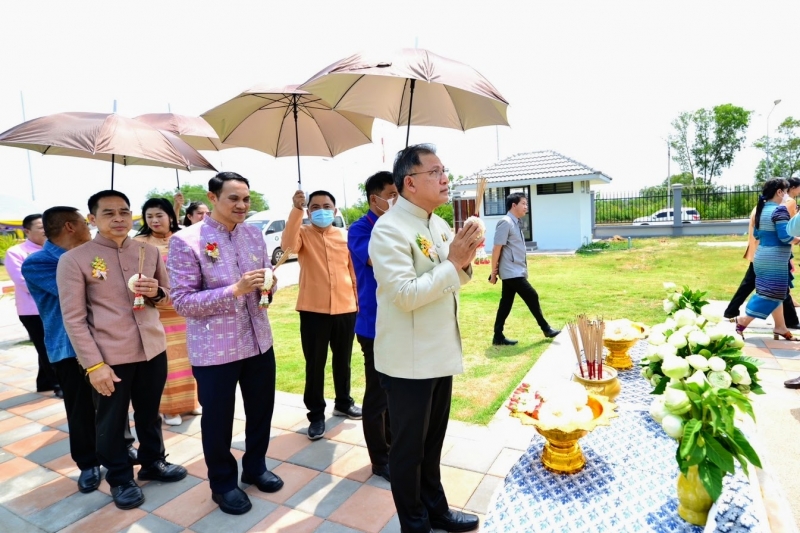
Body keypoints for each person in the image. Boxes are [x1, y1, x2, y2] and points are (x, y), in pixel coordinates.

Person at [370, 144, 481, 533]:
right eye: (435, 172)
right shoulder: (389, 229)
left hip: (438, 353)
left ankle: (437, 510)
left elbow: (453, 278)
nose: (445, 178)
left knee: (432, 445)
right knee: (407, 451)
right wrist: (454, 262)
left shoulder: (437, 224)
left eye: (444, 170)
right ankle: (414, 523)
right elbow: (405, 295)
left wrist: (465, 257)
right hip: (408, 362)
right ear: (410, 183)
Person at [58, 190, 187, 511]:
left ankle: (153, 461)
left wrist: (157, 292)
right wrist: (94, 365)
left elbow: (170, 296)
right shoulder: (74, 260)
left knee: (149, 412)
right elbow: (73, 319)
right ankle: (119, 476)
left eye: (124, 212)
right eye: (109, 213)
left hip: (152, 349)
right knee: (111, 421)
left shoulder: (147, 251)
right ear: (92, 218)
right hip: (109, 356)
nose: (118, 218)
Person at [168, 172, 283, 516]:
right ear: (213, 197)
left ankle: (256, 466)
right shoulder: (186, 240)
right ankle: (222, 484)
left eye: (246, 199)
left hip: (259, 341)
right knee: (218, 421)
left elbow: (265, 279)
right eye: (233, 198)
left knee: (261, 411)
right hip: (215, 349)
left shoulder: (252, 234)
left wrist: (268, 285)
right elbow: (182, 302)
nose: (242, 205)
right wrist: (235, 290)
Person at [281, 188, 360, 440]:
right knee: (315, 364)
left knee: (343, 360)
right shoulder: (302, 234)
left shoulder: (344, 236)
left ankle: (344, 402)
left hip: (346, 308)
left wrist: (357, 302)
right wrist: (296, 210)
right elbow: (287, 247)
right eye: (315, 207)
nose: (321, 211)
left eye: (326, 207)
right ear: (308, 211)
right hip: (313, 310)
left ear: (335, 211)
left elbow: (352, 271)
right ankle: (316, 415)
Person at [347, 171, 398, 483]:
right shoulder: (360, 229)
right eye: (391, 195)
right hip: (373, 325)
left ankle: (393, 447)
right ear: (374, 199)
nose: (396, 200)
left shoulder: (398, 224)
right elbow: (374, 259)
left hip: (398, 321)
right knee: (377, 397)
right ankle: (380, 460)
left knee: (395, 394)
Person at [134, 198, 200, 426]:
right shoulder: (139, 243)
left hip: (186, 310)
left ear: (170, 216)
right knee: (167, 363)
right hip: (158, 312)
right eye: (149, 216)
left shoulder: (184, 237)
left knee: (190, 359)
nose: (154, 220)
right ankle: (169, 409)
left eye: (159, 215)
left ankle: (191, 402)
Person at [731, 179, 800, 342]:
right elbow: (785, 237)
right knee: (771, 293)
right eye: (785, 191)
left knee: (777, 293)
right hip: (775, 259)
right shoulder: (780, 210)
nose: (787, 195)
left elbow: (757, 234)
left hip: (761, 256)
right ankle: (743, 320)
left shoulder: (761, 210)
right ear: (779, 192)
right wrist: (798, 239)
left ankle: (780, 327)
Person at [489, 194, 561, 345]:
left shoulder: (515, 223)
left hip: (515, 270)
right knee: (531, 295)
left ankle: (498, 336)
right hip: (511, 271)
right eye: (523, 203)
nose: (526, 207)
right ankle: (546, 328)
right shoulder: (505, 222)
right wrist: (493, 272)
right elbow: (496, 248)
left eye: (526, 204)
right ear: (513, 205)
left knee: (506, 303)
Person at [6, 214, 61, 396]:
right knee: (46, 347)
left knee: (47, 345)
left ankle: (43, 382)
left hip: (55, 306)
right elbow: (23, 281)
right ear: (27, 231)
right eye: (40, 226)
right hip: (32, 310)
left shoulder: (55, 248)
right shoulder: (16, 252)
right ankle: (58, 385)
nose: (45, 229)